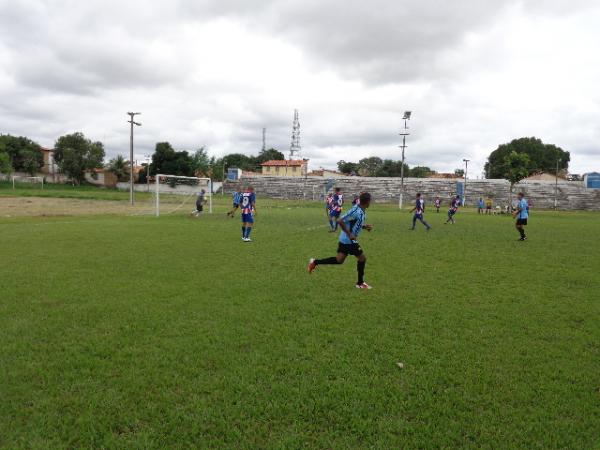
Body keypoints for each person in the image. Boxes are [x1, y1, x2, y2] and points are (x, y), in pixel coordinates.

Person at [308, 192, 374, 289]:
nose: (370, 203)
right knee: (362, 258)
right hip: (349, 240)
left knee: (339, 260)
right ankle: (360, 283)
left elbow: (352, 222)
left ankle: (315, 262)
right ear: (367, 202)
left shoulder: (361, 210)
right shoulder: (356, 210)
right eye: (370, 201)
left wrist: (364, 227)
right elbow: (340, 221)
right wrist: (349, 234)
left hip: (345, 239)